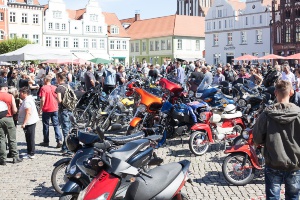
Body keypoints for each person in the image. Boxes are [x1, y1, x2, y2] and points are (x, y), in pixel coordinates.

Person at [253, 80, 300, 199]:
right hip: (294, 163)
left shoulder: (267, 114)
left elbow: (257, 138)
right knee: (293, 196)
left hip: (273, 161)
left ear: (275, 92)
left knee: (273, 197)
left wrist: (266, 143)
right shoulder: (298, 113)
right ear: (291, 92)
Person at [0, 83, 22, 165]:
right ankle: (15, 157)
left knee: (1, 139)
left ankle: (2, 159)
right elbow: (15, 110)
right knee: (12, 139)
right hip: (9, 118)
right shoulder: (10, 96)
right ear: (5, 88)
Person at [39, 75, 62, 148]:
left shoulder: (43, 88)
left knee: (46, 125)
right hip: (54, 108)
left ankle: (46, 141)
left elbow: (42, 99)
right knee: (56, 125)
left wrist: (40, 108)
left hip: (46, 108)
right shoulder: (55, 87)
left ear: (45, 80)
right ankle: (59, 140)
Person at [18, 87, 39, 159]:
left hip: (29, 122)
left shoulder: (27, 101)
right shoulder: (28, 99)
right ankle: (30, 152)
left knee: (30, 138)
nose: (19, 94)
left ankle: (31, 153)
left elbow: (28, 112)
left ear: (25, 93)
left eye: (21, 93)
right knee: (29, 137)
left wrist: (24, 123)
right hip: (31, 121)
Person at [56, 72, 73, 154]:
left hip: (63, 110)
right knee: (69, 129)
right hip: (70, 109)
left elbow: (59, 100)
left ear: (59, 78)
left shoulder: (59, 88)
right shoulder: (68, 86)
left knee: (65, 131)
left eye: (56, 77)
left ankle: (68, 149)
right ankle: (64, 147)